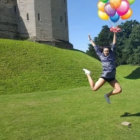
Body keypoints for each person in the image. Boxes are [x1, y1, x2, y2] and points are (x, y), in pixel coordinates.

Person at [83, 28, 122, 104]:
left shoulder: (112, 54)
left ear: (109, 51)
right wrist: (90, 40)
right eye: (105, 51)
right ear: (103, 51)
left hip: (112, 77)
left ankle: (107, 95)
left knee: (119, 90)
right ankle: (88, 73)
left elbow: (114, 43)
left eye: (107, 51)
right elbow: (95, 46)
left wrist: (115, 33)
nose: (106, 52)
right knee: (94, 88)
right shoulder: (100, 55)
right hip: (105, 76)